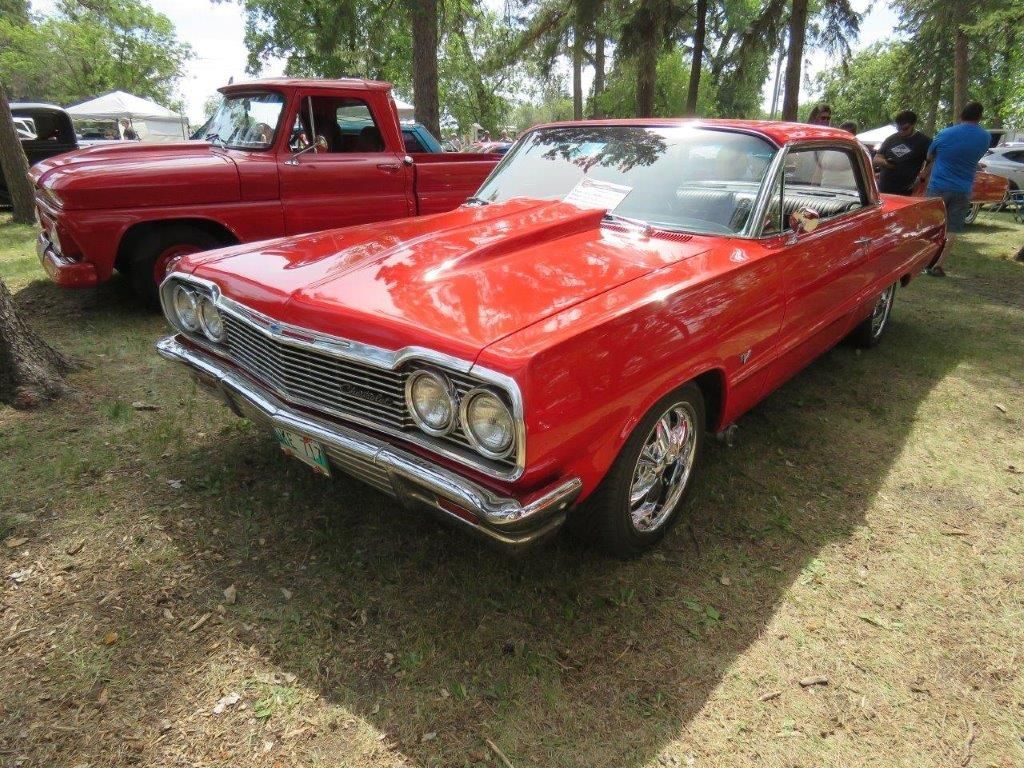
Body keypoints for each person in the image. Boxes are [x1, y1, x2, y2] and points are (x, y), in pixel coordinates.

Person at [921, 101, 991, 276]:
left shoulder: (945, 133)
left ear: (961, 114)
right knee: (952, 228)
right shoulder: (985, 137)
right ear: (980, 117)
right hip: (963, 188)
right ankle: (938, 265)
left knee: (931, 224)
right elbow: (975, 158)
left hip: (938, 186)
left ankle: (924, 261)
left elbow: (929, 155)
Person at [873, 110, 931, 196]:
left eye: (905, 129)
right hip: (883, 188)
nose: (901, 131)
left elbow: (933, 161)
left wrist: (921, 177)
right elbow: (876, 159)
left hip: (907, 190)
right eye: (898, 128)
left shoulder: (924, 141)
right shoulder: (891, 139)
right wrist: (885, 163)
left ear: (913, 125)